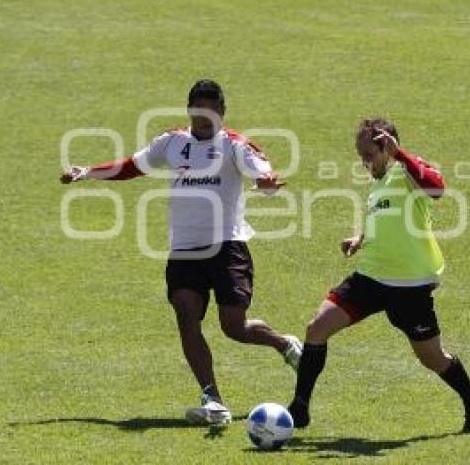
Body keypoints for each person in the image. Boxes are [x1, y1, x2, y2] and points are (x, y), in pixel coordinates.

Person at [60, 79, 302, 426]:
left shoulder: (235, 145)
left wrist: (266, 183)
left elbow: (261, 172)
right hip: (185, 248)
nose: (204, 120)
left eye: (210, 113)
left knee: (234, 327)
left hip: (227, 245)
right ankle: (212, 398)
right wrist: (88, 172)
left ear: (222, 111)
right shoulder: (172, 141)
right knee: (187, 317)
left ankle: (284, 344)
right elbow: (133, 165)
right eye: (197, 113)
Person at [287, 118, 470, 433]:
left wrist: (401, 155)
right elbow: (380, 219)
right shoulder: (377, 183)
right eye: (359, 154)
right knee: (316, 328)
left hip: (410, 285)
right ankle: (299, 408)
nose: (363, 161)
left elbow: (437, 188)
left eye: (367, 153)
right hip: (370, 277)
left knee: (432, 358)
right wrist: (359, 239)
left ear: (386, 147)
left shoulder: (406, 171)